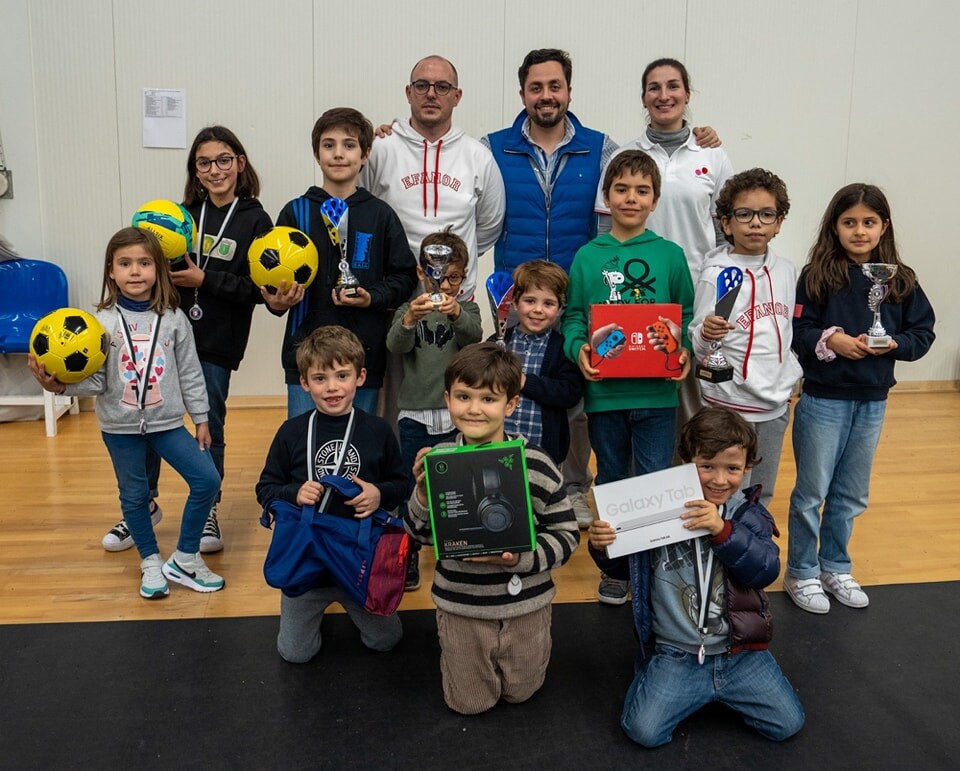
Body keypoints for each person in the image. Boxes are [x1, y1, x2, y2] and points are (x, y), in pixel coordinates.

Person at [483, 48, 717, 529]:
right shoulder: (491, 147)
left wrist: (701, 136)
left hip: (607, 331)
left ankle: (578, 493)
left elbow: (683, 313)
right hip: (524, 298)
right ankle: (528, 497)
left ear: (569, 91)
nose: (546, 95)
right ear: (522, 92)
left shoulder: (601, 148)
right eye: (536, 87)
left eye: (555, 85)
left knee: (580, 408)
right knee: (523, 398)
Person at [587, 406, 805, 747]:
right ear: (687, 461)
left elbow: (765, 570)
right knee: (643, 732)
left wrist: (723, 531)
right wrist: (603, 547)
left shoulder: (749, 515)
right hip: (677, 653)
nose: (719, 479)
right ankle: (660, 674)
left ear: (747, 467)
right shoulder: (657, 510)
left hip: (740, 654)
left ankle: (714, 691)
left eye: (732, 468)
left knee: (788, 724)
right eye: (707, 466)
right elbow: (623, 570)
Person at [100, 126, 273, 555]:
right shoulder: (178, 216)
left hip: (217, 340)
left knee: (208, 420)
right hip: (161, 337)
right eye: (204, 162)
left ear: (240, 163)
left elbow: (258, 290)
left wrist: (205, 279)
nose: (215, 170)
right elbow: (145, 269)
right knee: (143, 416)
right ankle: (143, 505)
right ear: (195, 170)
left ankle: (209, 506)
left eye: (223, 160)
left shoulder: (255, 219)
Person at [28, 228, 224, 599]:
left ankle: (185, 557)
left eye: (144, 263)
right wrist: (60, 388)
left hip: (167, 423)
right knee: (134, 496)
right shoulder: (99, 323)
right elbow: (97, 381)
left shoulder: (174, 319)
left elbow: (190, 372)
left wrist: (201, 417)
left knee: (207, 480)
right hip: (119, 428)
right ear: (111, 270)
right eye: (125, 263)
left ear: (158, 269)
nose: (135, 271)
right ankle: (150, 560)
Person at [784, 183, 935, 614]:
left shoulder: (900, 279)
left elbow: (922, 332)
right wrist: (832, 339)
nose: (859, 231)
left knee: (851, 493)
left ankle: (835, 565)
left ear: (884, 226)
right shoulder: (816, 275)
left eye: (869, 222)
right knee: (812, 492)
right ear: (834, 226)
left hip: (873, 401)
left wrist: (895, 344)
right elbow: (797, 330)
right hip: (824, 400)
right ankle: (801, 570)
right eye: (849, 222)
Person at [404, 342, 579, 715]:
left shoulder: (537, 463)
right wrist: (422, 495)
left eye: (488, 399)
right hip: (462, 605)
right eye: (463, 397)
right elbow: (418, 534)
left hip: (526, 603)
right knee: (469, 704)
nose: (474, 409)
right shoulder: (440, 463)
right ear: (447, 399)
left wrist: (520, 558)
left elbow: (566, 535)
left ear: (510, 405)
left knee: (522, 692)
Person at [563, 150, 694, 605]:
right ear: (607, 196)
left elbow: (685, 317)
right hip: (605, 395)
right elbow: (574, 317)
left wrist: (684, 351)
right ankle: (616, 568)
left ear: (655, 200)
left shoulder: (670, 255)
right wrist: (578, 349)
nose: (631, 198)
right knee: (614, 481)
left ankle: (653, 570)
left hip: (657, 395)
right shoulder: (587, 257)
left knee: (655, 481)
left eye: (642, 190)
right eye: (621, 189)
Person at [256, 326, 408, 662]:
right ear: (304, 383)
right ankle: (312, 612)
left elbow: (402, 484)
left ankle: (348, 604)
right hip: (306, 561)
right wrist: (294, 493)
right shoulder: (291, 432)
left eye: (342, 376)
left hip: (358, 560)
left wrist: (378, 494)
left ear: (360, 377)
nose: (332, 387)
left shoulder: (378, 430)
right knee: (295, 654)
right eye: (320, 378)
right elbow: (265, 488)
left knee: (386, 640)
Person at [266, 107, 418, 418]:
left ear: (365, 154)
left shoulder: (380, 215)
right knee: (306, 441)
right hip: (304, 358)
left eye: (349, 145)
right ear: (316, 153)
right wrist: (277, 302)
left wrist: (371, 297)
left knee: (358, 442)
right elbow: (271, 278)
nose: (338, 154)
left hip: (364, 357)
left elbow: (404, 276)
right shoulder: (296, 212)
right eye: (329, 145)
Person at [689, 169, 802, 509]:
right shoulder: (715, 274)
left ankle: (754, 541)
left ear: (778, 223)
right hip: (728, 403)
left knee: (761, 492)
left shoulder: (786, 271)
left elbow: (785, 331)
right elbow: (699, 341)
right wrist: (706, 333)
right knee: (723, 491)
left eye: (766, 214)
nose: (755, 222)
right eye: (744, 214)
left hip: (774, 405)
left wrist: (789, 375)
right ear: (726, 223)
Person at [361, 55, 505, 302]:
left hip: (455, 304)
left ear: (457, 96)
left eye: (442, 87)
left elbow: (490, 226)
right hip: (393, 300)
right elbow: (361, 215)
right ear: (408, 93)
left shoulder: (478, 156)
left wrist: (457, 260)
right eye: (421, 86)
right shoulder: (380, 150)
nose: (431, 94)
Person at [386, 228, 483, 590]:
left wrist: (456, 312)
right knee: (412, 485)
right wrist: (410, 319)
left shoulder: (468, 308)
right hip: (415, 415)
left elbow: (473, 337)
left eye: (453, 277)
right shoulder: (407, 310)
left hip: (457, 418)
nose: (443, 283)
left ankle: (455, 549)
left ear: (463, 278)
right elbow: (395, 346)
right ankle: (407, 552)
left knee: (457, 486)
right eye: (436, 275)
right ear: (420, 273)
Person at [596, 57, 734, 281]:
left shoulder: (713, 156)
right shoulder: (622, 157)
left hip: (698, 283)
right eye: (654, 88)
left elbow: (724, 232)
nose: (663, 96)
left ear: (687, 95)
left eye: (673, 86)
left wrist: (720, 281)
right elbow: (605, 229)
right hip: (636, 284)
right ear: (644, 99)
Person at [487, 259, 582, 466]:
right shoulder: (497, 342)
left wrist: (525, 382)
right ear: (514, 303)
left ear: (560, 308)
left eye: (548, 304)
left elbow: (570, 393)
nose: (538, 310)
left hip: (543, 451)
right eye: (530, 301)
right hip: (497, 446)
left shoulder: (562, 347)